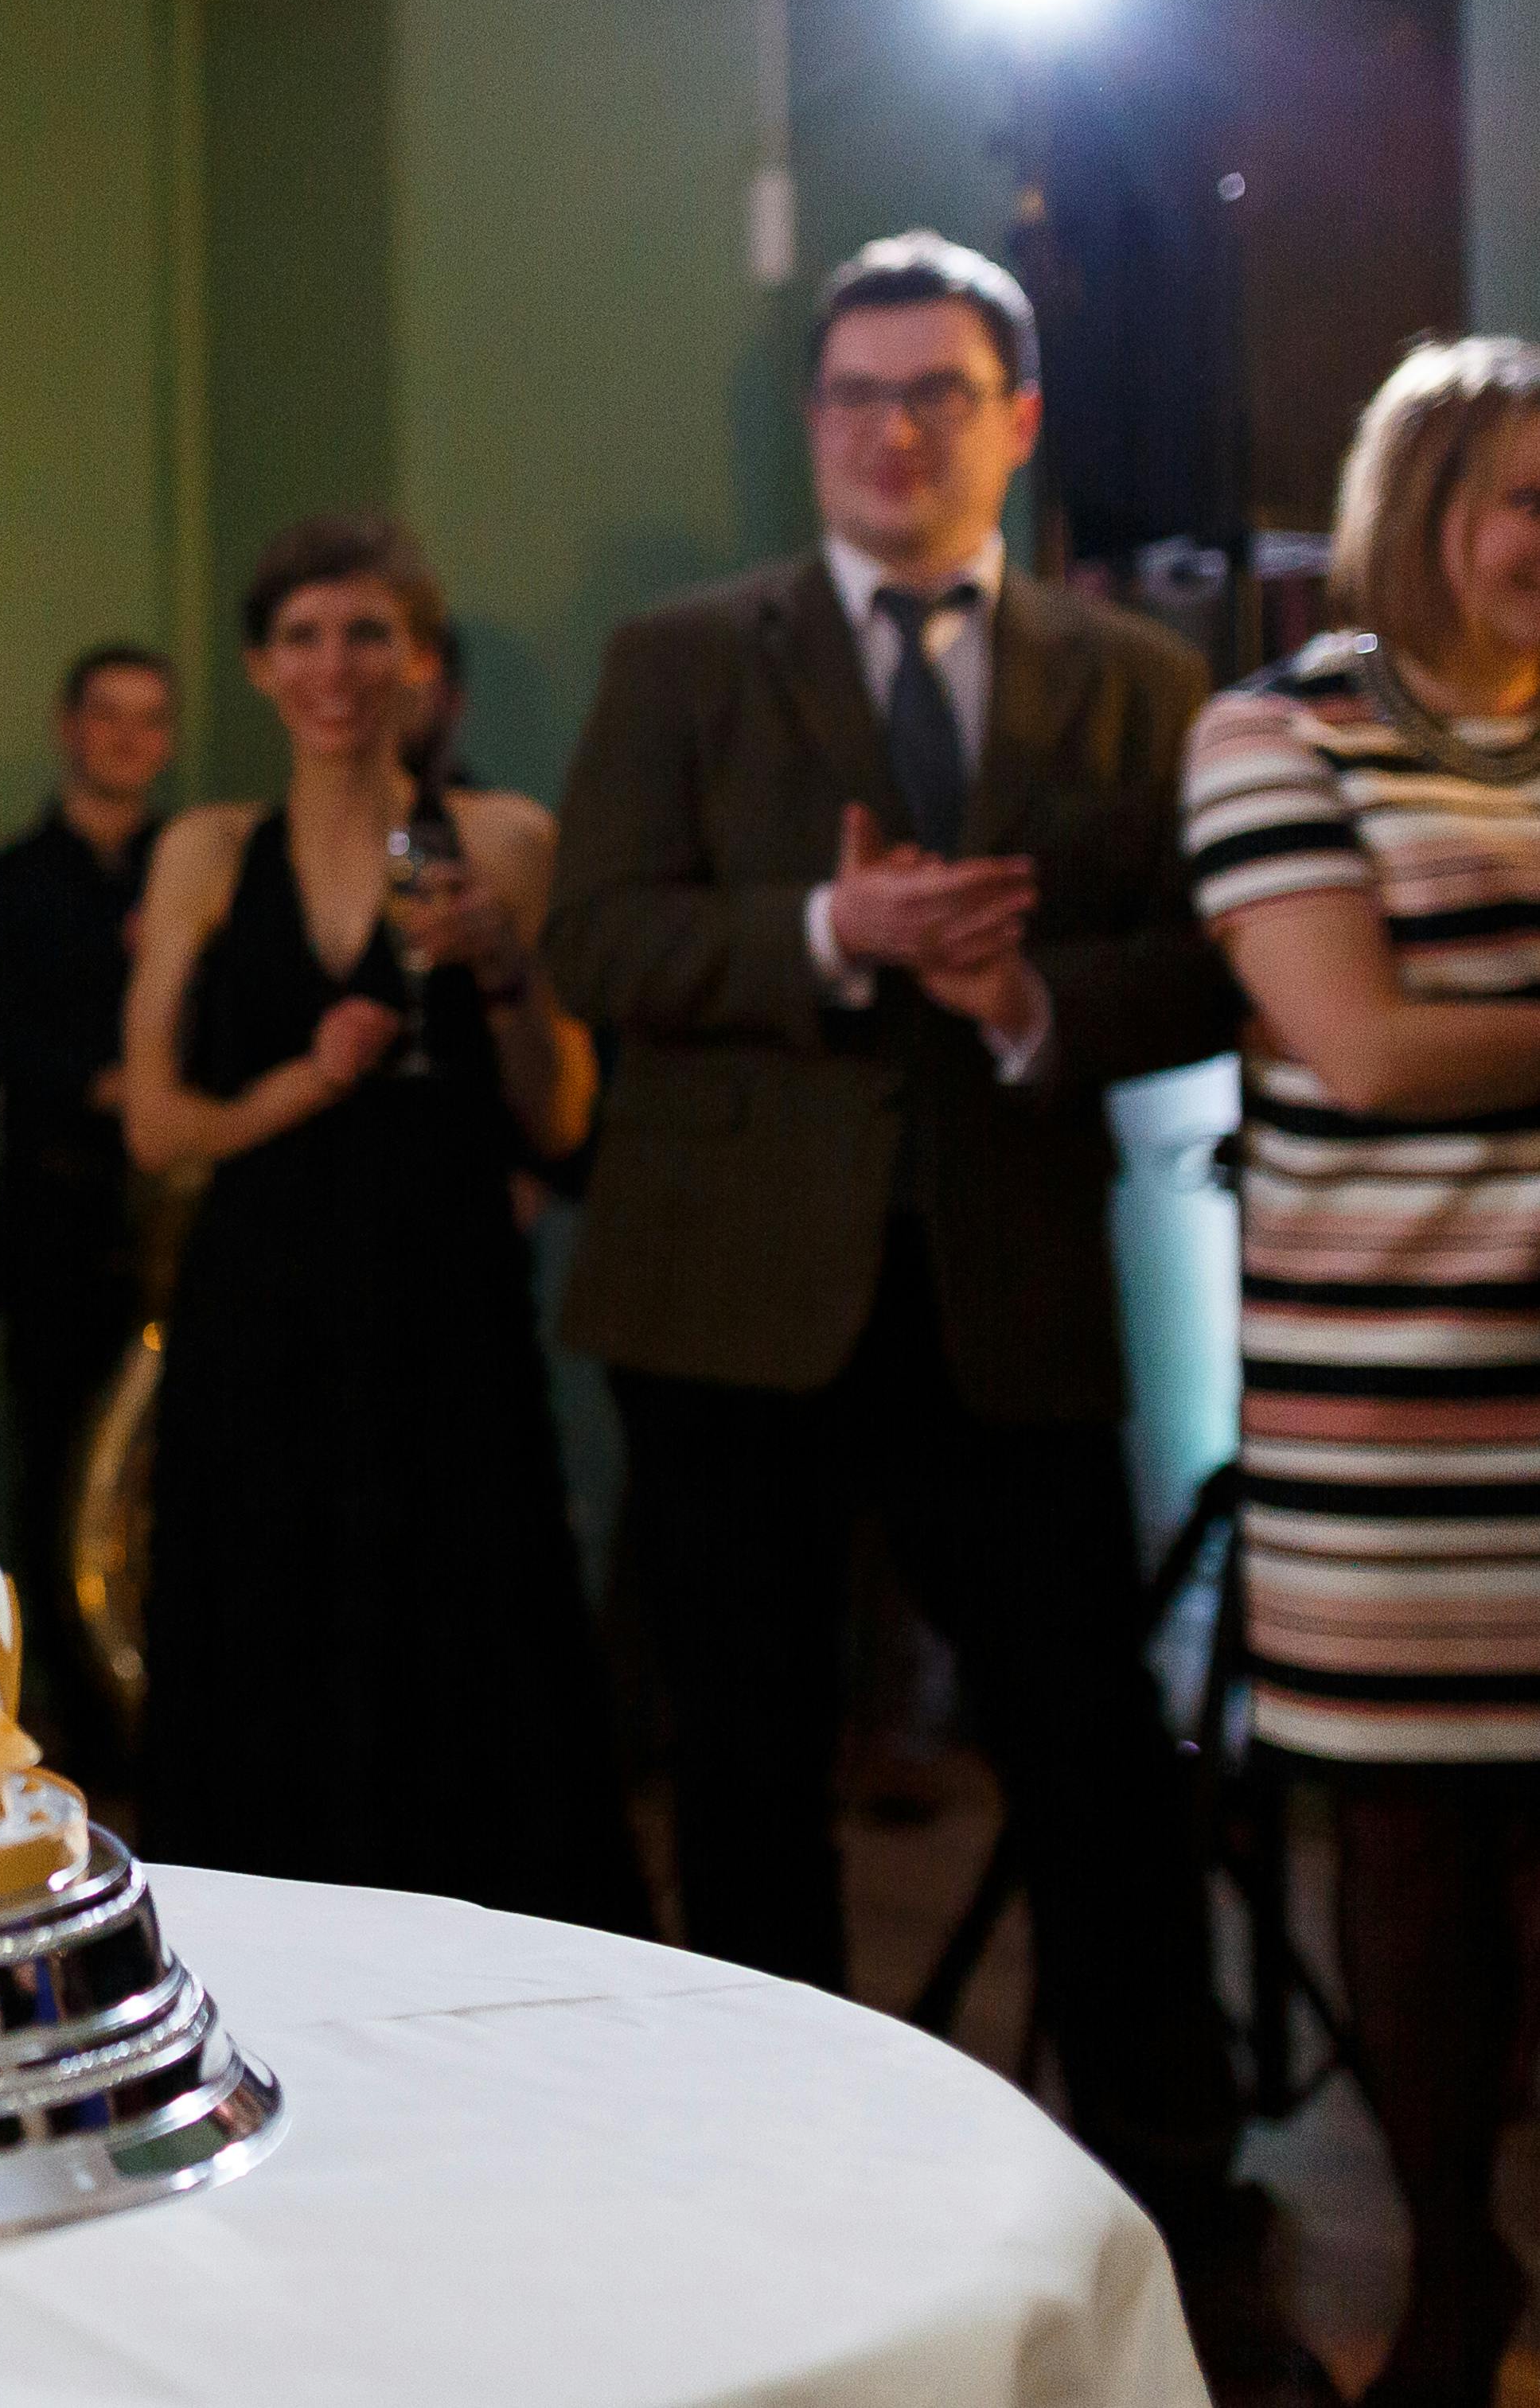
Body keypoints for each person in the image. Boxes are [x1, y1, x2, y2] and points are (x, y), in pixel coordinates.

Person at [547, 232, 1315, 2402]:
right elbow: (597, 936)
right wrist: (826, 922)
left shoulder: (1140, 679)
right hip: (721, 1306)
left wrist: (1023, 995)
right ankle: (770, 2200)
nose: (892, 427)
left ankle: (1178, 2197)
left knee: (1095, 1761)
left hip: (1013, 1300)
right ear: (811, 424)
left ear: (1016, 417)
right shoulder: (679, 653)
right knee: (752, 1766)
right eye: (855, 392)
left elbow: (1205, 962)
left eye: (937, 391)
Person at [119, 515, 648, 1929]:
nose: (334, 666)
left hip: (449, 1299)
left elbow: (561, 1117)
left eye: (368, 634)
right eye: (301, 636)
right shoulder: (208, 850)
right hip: (263, 1308)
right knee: (262, 1638)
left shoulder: (506, 840)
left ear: (419, 660)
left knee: (474, 1640)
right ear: (257, 665)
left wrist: (509, 971)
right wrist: (304, 1081)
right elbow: (159, 1124)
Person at [1187, 337, 1540, 2408]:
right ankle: (1448, 2252)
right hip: (1388, 1390)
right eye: (1516, 500)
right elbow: (1359, 1045)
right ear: (1421, 506)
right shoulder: (1276, 724)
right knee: (1412, 1853)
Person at [0, 643, 175, 1747]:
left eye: (151, 720)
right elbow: (9, 1047)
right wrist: (132, 1087)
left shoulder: (199, 874)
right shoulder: (6, 885)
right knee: (58, 1474)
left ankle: (172, 1721)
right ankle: (87, 1735)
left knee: (175, 1483)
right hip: (56, 1214)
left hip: (183, 1220)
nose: (129, 738)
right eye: (109, 715)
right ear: (69, 726)